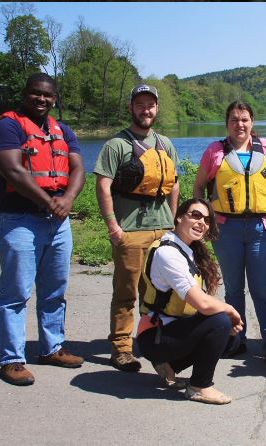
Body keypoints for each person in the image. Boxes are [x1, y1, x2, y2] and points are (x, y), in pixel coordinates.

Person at [0, 73, 85, 386]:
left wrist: (67, 199)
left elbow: (78, 168)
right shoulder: (9, 126)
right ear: (25, 94)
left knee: (55, 290)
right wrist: (49, 202)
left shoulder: (62, 130)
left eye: (47, 95)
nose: (41, 100)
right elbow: (13, 170)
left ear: (54, 98)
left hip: (57, 222)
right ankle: (12, 359)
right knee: (16, 292)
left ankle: (52, 347)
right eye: (35, 94)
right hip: (19, 220)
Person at [94, 84, 180, 372]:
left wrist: (174, 221)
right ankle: (120, 347)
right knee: (126, 292)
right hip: (130, 231)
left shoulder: (164, 143)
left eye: (151, 105)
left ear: (157, 108)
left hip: (163, 231)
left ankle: (151, 342)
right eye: (141, 104)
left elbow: (174, 184)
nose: (146, 109)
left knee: (158, 293)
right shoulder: (116, 145)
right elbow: (103, 186)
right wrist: (113, 227)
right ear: (131, 107)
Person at [193, 101, 266, 371]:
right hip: (226, 228)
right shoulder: (215, 151)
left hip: (260, 228)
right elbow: (198, 186)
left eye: (244, 119)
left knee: (262, 291)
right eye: (234, 119)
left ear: (252, 122)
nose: (239, 124)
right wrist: (201, 221)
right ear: (227, 124)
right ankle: (236, 340)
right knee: (233, 290)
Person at [136, 198, 243, 405]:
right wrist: (230, 309)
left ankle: (170, 365)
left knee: (231, 336)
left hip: (173, 329)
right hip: (155, 335)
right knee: (221, 321)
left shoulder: (189, 250)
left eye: (207, 219)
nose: (201, 222)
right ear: (178, 217)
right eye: (195, 215)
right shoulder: (168, 253)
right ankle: (199, 386)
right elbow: (202, 304)